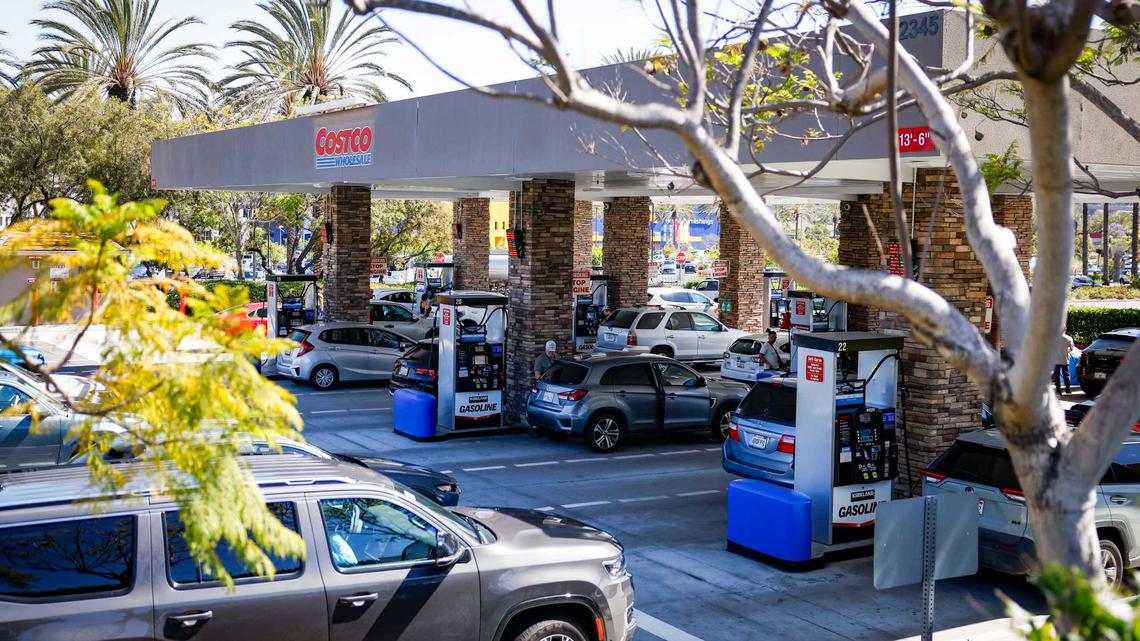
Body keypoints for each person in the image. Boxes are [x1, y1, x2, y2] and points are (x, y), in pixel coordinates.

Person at [1055, 326, 1075, 395]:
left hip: (1056, 360)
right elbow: (1072, 349)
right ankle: (1068, 389)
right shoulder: (1069, 338)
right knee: (1066, 374)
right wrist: (1066, 351)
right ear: (1065, 329)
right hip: (1065, 359)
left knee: (1056, 375)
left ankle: (1058, 390)